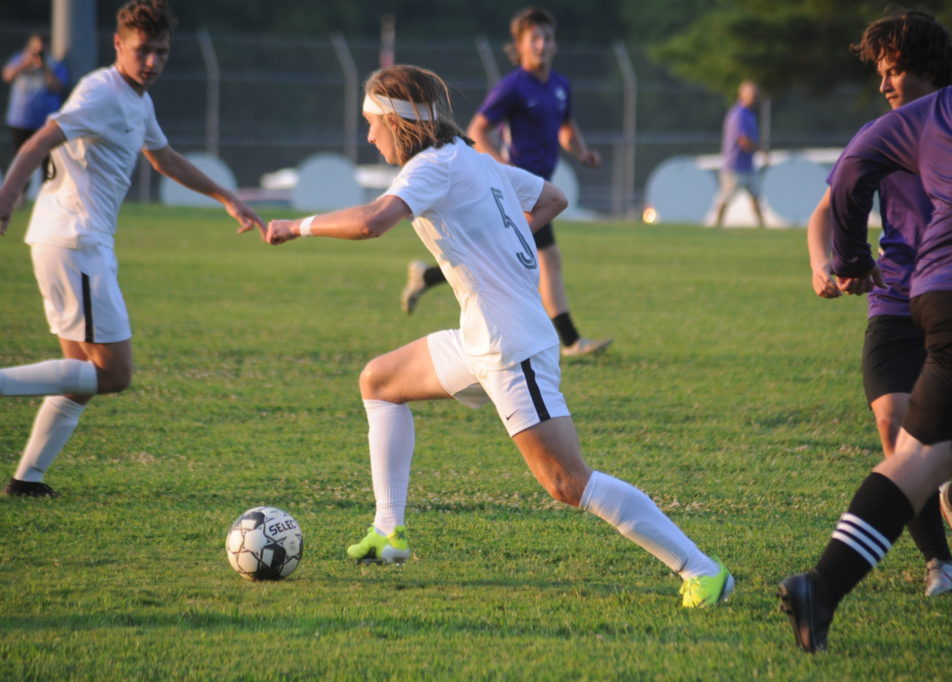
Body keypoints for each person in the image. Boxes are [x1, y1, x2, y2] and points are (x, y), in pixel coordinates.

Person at [264, 64, 734, 607]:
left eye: (372, 122)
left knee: (567, 483)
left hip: (512, 348)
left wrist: (295, 226)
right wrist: (497, 239)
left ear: (397, 121)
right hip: (482, 337)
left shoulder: (430, 168)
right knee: (380, 381)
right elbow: (552, 198)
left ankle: (702, 570)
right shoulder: (472, 159)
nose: (369, 136)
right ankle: (388, 531)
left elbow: (373, 220)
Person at [0, 0, 264, 497]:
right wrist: (8, 192)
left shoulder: (136, 100)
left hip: (70, 241)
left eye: (161, 52)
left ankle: (27, 479)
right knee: (113, 373)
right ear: (118, 45)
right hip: (76, 242)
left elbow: (164, 158)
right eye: (142, 50)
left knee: (80, 376)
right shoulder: (102, 91)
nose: (152, 61)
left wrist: (226, 197)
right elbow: (40, 140)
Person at [777, 64, 952, 652]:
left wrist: (849, 257)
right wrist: (840, 262)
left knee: (919, 455)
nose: (883, 84)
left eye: (894, 69)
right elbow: (841, 184)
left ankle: (822, 586)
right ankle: (946, 535)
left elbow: (853, 168)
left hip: (948, 293)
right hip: (930, 298)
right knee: (906, 436)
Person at [805, 11, 952, 598]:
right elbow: (827, 209)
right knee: (894, 425)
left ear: (929, 68)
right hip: (896, 299)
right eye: (879, 73)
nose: (883, 85)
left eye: (895, 70)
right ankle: (940, 564)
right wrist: (824, 263)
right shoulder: (881, 133)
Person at [398, 7, 611, 358]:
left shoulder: (560, 86)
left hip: (540, 188)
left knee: (494, 253)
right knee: (544, 258)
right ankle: (570, 341)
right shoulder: (513, 87)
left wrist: (583, 152)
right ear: (520, 46)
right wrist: (502, 170)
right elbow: (478, 129)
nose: (542, 45)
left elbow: (566, 127)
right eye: (534, 38)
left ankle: (428, 277)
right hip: (518, 191)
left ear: (555, 44)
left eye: (547, 38)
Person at [2, 33, 69, 180]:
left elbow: (57, 87)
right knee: (19, 164)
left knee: (48, 166)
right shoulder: (20, 59)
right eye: (35, 49)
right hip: (21, 121)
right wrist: (26, 62)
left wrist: (44, 66)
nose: (37, 53)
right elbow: (8, 75)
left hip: (46, 124)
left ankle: (46, 191)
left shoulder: (54, 64)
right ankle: (19, 192)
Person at [713, 80, 765, 228]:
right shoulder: (738, 114)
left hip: (748, 165)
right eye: (753, 95)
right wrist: (760, 150)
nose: (755, 98)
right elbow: (743, 141)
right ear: (742, 95)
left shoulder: (750, 114)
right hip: (734, 165)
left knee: (756, 196)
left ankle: (762, 226)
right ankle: (717, 225)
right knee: (726, 197)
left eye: (756, 95)